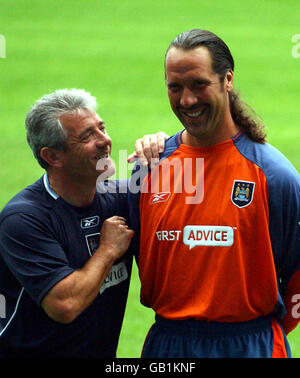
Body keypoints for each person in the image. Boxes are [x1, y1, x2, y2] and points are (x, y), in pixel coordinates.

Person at [129, 29, 300, 358]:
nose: (187, 100)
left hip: (251, 345)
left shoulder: (274, 175)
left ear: (227, 80)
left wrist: (260, 333)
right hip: (168, 347)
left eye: (198, 84)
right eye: (174, 87)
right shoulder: (148, 168)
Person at [0, 88, 163, 358]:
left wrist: (162, 145)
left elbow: (183, 200)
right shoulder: (24, 219)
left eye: (102, 128)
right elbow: (65, 305)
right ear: (53, 157)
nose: (105, 141)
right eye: (87, 136)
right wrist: (107, 251)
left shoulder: (120, 199)